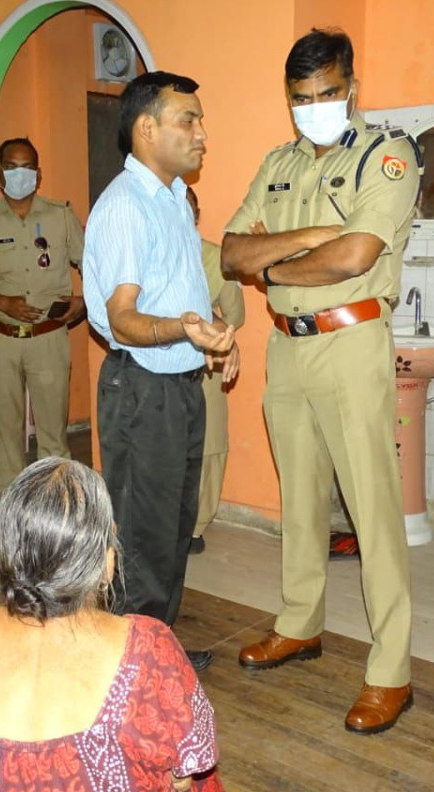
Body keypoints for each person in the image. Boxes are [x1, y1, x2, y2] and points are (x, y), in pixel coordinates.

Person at [221, 29, 419, 733]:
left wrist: (274, 265)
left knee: (372, 511)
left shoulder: (386, 156)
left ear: (351, 88)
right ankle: (299, 623)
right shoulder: (278, 162)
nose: (315, 107)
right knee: (299, 499)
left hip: (351, 342)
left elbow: (356, 255)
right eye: (302, 98)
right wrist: (309, 238)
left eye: (328, 93)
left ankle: (391, 671)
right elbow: (231, 250)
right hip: (288, 348)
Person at [0, 457, 227, 792]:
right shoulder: (149, 647)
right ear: (107, 564)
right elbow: (192, 759)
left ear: (1, 553)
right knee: (197, 783)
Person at [83, 71, 238, 673]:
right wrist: (186, 330)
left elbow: (181, 294)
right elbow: (124, 321)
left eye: (200, 121)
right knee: (141, 533)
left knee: (173, 528)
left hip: (179, 385)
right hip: (142, 388)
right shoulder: (126, 206)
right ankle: (129, 669)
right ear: (147, 129)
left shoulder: (171, 200)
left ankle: (155, 649)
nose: (202, 134)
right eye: (188, 120)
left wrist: (217, 335)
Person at [0, 138, 85, 534]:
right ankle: (8, 505)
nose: (20, 174)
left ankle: (56, 505)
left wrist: (85, 301)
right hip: (1, 337)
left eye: (27, 166)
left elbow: (92, 263)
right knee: (7, 428)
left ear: (38, 174)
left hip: (48, 337)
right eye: (11, 166)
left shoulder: (61, 216)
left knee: (52, 429)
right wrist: (2, 302)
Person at [186, 186, 245, 555]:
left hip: (205, 366)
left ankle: (196, 526)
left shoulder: (215, 259)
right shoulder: (148, 254)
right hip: (159, 364)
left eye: (187, 208)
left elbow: (234, 317)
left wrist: (219, 325)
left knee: (209, 447)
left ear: (197, 215)